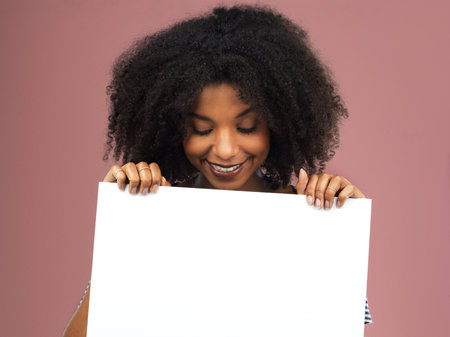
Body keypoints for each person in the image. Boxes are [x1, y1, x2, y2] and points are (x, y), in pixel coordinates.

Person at [62, 4, 372, 336]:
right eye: (201, 129)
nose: (224, 150)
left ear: (279, 125)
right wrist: (122, 232)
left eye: (248, 127)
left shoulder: (313, 222)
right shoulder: (154, 221)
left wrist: (342, 233)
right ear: (172, 129)